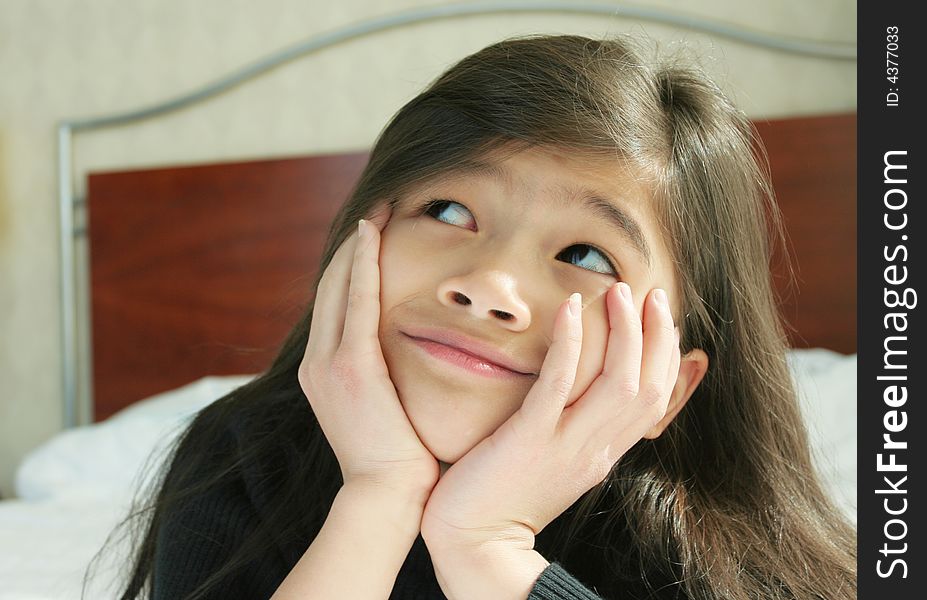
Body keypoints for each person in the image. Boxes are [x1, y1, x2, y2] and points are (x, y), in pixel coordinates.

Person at [102, 34, 856, 599]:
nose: (489, 286)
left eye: (587, 256)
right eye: (450, 209)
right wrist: (378, 498)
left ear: (667, 385)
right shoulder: (238, 456)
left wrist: (487, 547)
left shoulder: (712, 551)